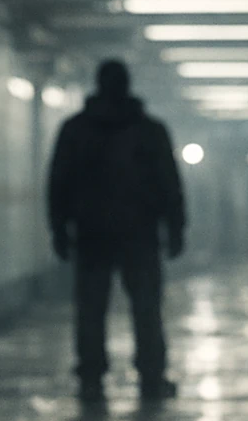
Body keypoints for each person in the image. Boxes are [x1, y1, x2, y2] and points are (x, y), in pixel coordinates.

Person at [46, 60, 186, 402]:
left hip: (92, 235)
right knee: (146, 309)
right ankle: (151, 378)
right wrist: (176, 227)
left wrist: (60, 230)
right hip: (139, 235)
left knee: (91, 310)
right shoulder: (150, 131)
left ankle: (92, 378)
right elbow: (170, 183)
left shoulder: (75, 130)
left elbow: (58, 184)